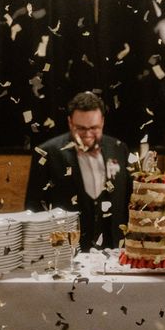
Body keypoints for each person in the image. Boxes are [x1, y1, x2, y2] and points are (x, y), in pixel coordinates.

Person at [25, 92, 132, 251]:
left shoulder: (119, 148)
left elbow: (128, 200)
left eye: (94, 128)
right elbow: (34, 207)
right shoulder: (48, 153)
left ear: (102, 122)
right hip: (66, 252)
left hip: (115, 250)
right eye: (80, 128)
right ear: (70, 122)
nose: (88, 134)